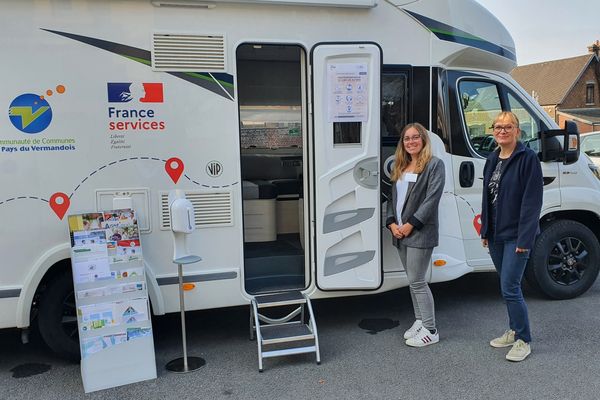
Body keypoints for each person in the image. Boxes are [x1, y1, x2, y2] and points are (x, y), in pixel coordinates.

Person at [481, 111, 543, 362]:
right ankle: (514, 329)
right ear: (493, 131)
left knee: (510, 286)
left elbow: (532, 202)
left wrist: (524, 239)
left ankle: (524, 339)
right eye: (498, 127)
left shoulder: (527, 158)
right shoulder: (492, 158)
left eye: (508, 127)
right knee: (506, 287)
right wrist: (485, 230)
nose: (502, 131)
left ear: (518, 131)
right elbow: (487, 197)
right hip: (496, 234)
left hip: (517, 235)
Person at [385, 123, 445, 347]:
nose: (411, 142)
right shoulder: (401, 166)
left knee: (418, 281)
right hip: (399, 232)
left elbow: (432, 199)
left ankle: (431, 329)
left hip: (419, 232)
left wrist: (410, 225)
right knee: (412, 281)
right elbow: (392, 199)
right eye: (406, 138)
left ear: (423, 140)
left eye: (415, 137)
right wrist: (392, 224)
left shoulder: (433, 165)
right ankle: (420, 320)